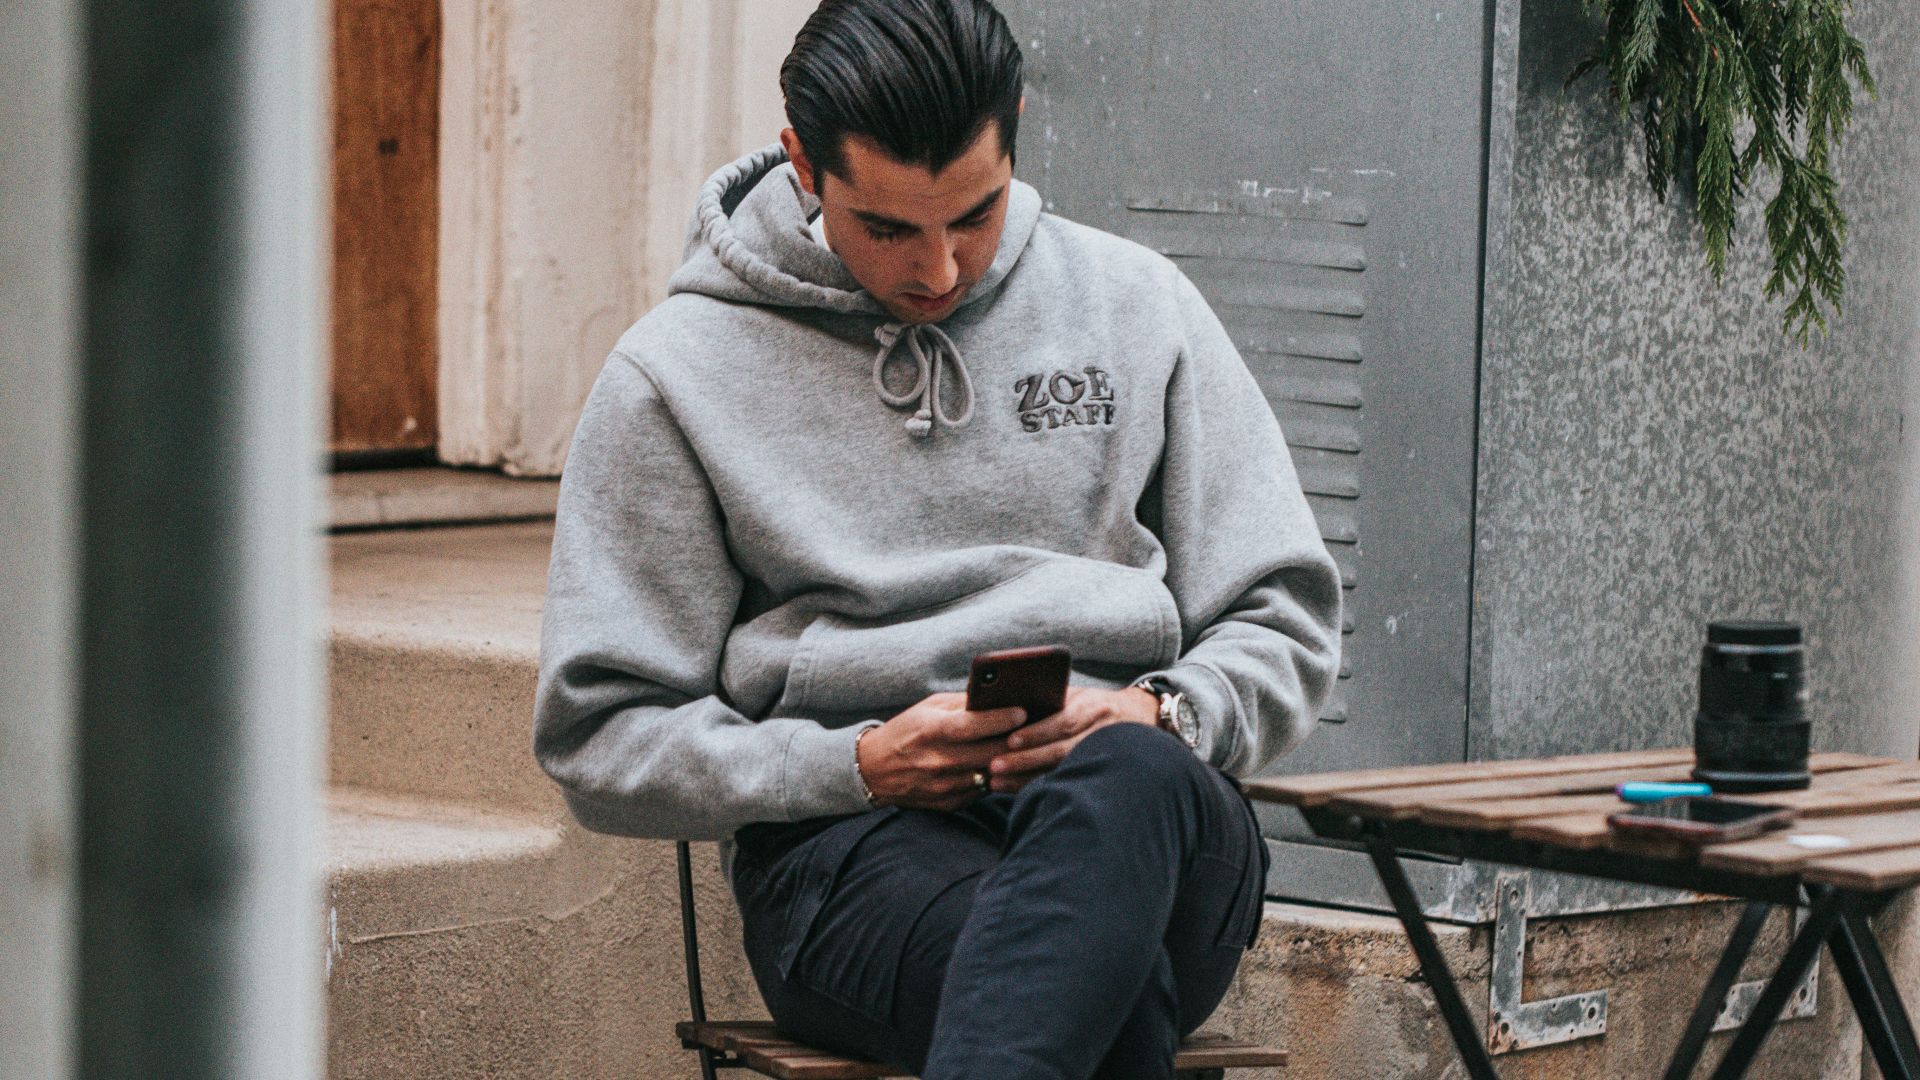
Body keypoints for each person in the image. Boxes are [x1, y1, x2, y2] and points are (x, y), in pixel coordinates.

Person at [533, 1, 1343, 1076]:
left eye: (977, 214)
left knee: (1130, 779)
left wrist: (1161, 709)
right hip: (853, 859)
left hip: (1158, 837)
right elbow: (600, 739)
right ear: (804, 167)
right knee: (1085, 985)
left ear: (1014, 142)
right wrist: (857, 764)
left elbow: (1283, 615)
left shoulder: (1139, 305)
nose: (943, 270)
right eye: (890, 229)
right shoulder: (676, 373)